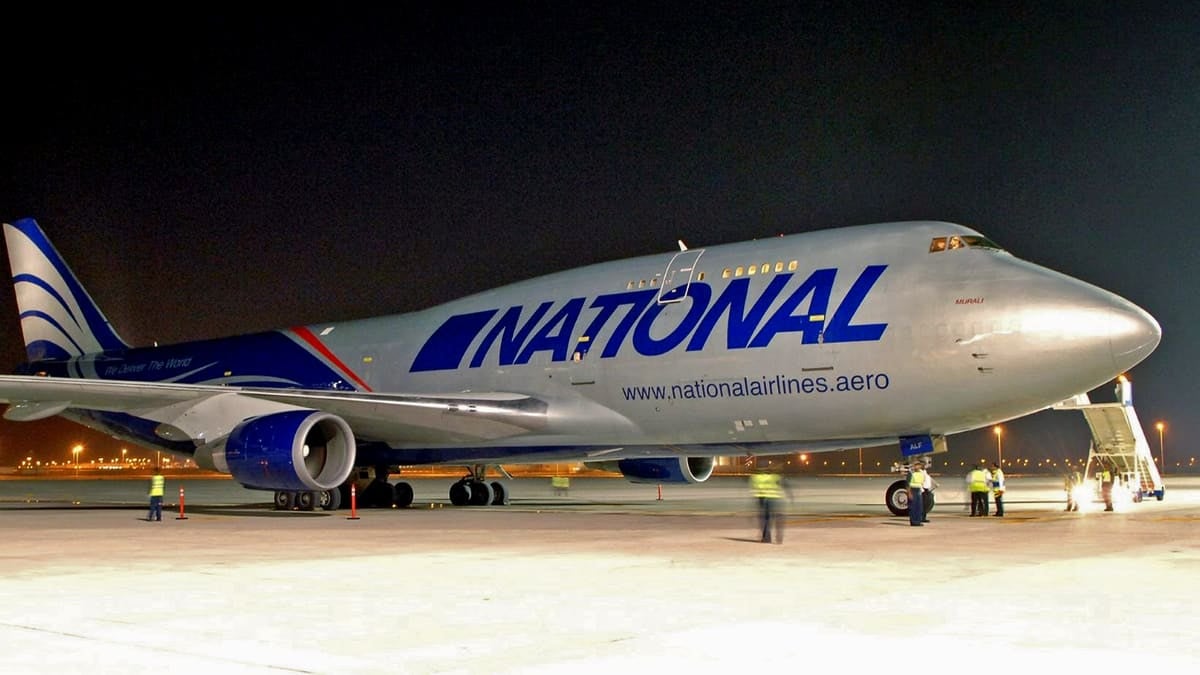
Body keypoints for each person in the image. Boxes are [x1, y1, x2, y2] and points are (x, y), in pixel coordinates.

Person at [749, 470, 790, 543]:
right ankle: (779, 538)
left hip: (763, 500)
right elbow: (785, 484)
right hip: (775, 499)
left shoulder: (755, 477)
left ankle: (767, 538)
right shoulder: (774, 477)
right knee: (778, 518)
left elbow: (754, 489)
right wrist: (790, 495)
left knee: (765, 520)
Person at [907, 462, 926, 526]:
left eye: (918, 465)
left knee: (919, 507)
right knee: (913, 507)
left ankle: (918, 521)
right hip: (913, 490)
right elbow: (908, 484)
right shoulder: (911, 473)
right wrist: (909, 493)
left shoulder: (921, 473)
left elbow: (922, 482)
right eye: (915, 465)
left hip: (919, 490)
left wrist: (921, 489)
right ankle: (913, 521)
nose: (917, 467)